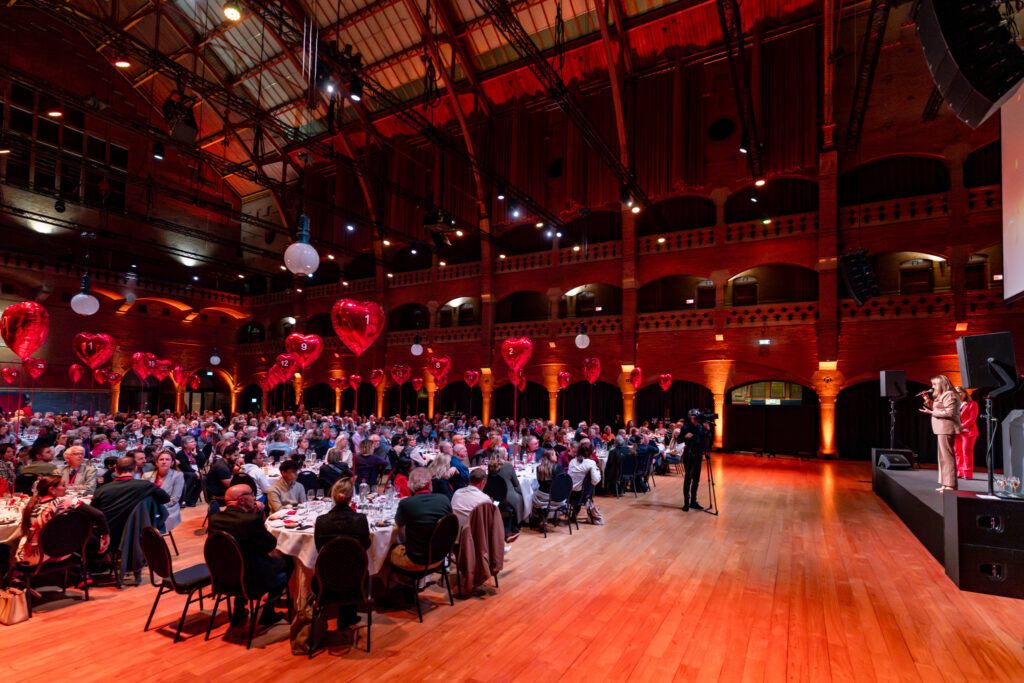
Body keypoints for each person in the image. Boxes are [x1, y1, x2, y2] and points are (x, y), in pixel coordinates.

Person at [208, 484, 293, 627]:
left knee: (242, 562)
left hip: (224, 576)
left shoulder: (214, 519)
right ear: (242, 500)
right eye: (252, 495)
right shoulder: (250, 521)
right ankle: (268, 612)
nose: (255, 498)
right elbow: (270, 544)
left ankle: (239, 610)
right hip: (251, 581)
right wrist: (259, 515)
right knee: (288, 561)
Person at [312, 478, 371, 629]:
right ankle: (348, 615)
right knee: (350, 565)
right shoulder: (361, 519)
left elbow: (320, 550)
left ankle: (339, 614)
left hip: (325, 580)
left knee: (338, 565)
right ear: (351, 498)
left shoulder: (321, 521)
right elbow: (365, 546)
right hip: (357, 580)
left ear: (333, 495)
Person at [90, 456, 172, 564]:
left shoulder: (101, 490)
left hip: (110, 535)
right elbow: (166, 499)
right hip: (137, 533)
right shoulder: (145, 486)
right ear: (136, 469)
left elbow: (94, 513)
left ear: (116, 470)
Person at [16, 474, 109, 566]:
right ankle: (90, 566)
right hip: (46, 556)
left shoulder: (30, 505)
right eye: (63, 485)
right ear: (52, 490)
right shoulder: (63, 501)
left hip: (25, 556)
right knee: (86, 537)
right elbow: (99, 515)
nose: (66, 488)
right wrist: (105, 535)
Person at [388, 467, 452, 570]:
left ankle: (396, 578)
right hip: (440, 557)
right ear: (430, 484)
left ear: (410, 484)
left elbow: (400, 529)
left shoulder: (406, 503)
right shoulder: (444, 500)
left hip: (415, 561)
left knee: (387, 550)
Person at [920, 374, 961, 491]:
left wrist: (931, 412)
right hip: (942, 429)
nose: (932, 387)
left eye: (934, 384)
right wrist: (927, 400)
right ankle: (945, 483)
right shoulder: (943, 395)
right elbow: (939, 408)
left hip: (947, 428)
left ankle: (951, 485)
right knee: (942, 457)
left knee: (947, 457)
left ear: (941, 384)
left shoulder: (950, 394)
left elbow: (950, 413)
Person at [142, 450, 185, 532]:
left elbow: (175, 498)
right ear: (157, 463)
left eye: (167, 459)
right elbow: (142, 495)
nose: (164, 462)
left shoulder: (178, 475)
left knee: (154, 520)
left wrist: (158, 508)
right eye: (161, 459)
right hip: (149, 507)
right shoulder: (146, 476)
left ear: (172, 463)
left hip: (168, 508)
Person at [567, 441, 603, 525]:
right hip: (582, 495)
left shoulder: (572, 461)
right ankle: (592, 514)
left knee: (584, 482)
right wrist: (598, 471)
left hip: (569, 494)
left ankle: (574, 514)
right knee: (590, 482)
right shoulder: (590, 463)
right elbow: (595, 480)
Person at [679, 410, 709, 511]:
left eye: (695, 416)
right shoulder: (686, 427)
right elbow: (679, 439)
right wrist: (685, 436)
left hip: (698, 456)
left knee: (696, 479)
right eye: (692, 416)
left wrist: (707, 431)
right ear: (690, 417)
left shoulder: (700, 427)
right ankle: (686, 503)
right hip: (689, 455)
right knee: (688, 479)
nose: (694, 418)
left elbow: (706, 441)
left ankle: (693, 501)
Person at [488, 453, 523, 530]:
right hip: (506, 498)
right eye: (506, 452)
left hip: (493, 498)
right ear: (503, 456)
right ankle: (516, 524)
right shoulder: (508, 466)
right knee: (521, 496)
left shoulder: (490, 466)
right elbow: (516, 483)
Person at [955, 386, 978, 480]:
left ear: (965, 393)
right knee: (957, 452)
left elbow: (972, 419)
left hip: (969, 432)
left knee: (966, 452)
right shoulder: (955, 405)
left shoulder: (972, 404)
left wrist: (961, 426)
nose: (958, 394)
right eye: (956, 392)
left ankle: (968, 473)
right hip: (957, 432)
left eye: (960, 392)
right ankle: (959, 471)